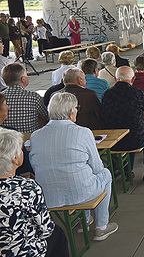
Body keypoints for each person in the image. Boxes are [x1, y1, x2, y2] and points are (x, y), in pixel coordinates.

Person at [29, 93, 118, 242]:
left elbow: (34, 165)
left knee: (80, 176)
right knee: (105, 174)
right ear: (71, 112)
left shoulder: (36, 135)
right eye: (77, 108)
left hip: (48, 196)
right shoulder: (83, 132)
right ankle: (101, 226)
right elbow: (97, 167)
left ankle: (86, 219)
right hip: (81, 193)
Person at [0, 128, 69, 256]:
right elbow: (45, 229)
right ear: (15, 158)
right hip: (23, 252)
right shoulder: (27, 188)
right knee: (58, 234)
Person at [102, 66, 144, 182]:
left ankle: (128, 172)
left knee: (130, 132)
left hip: (114, 141)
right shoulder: (137, 93)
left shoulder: (106, 94)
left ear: (115, 78)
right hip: (135, 139)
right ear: (133, 79)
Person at [2, 63, 48, 132]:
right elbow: (45, 117)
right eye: (26, 74)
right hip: (30, 137)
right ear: (23, 79)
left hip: (6, 137)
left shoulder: (1, 97)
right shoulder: (33, 97)